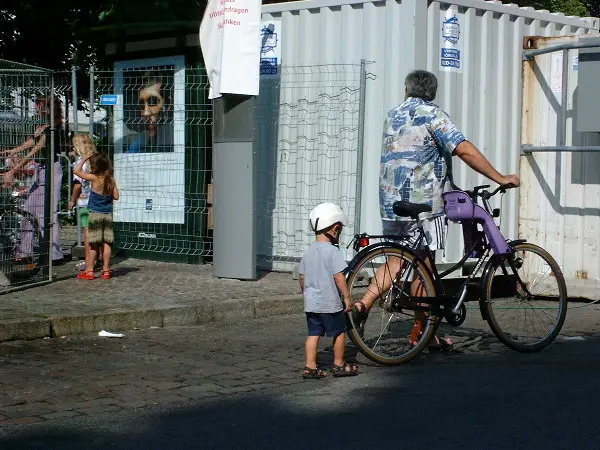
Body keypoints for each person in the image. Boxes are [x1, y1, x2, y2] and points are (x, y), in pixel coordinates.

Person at [352, 69, 520, 349]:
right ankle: (417, 331)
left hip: (392, 201)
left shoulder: (393, 115)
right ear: (433, 92)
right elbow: (463, 149)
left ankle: (366, 307)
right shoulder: (433, 115)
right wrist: (500, 178)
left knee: (400, 261)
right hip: (423, 205)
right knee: (422, 267)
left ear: (407, 90)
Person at [1, 95, 65, 263]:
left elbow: (36, 148)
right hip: (41, 169)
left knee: (48, 213)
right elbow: (29, 143)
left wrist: (14, 169)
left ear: (48, 107)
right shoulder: (40, 125)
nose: (36, 106)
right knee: (28, 210)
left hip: (52, 169)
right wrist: (12, 151)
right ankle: (24, 252)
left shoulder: (53, 126)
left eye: (39, 103)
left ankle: (54, 255)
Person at [299, 203, 359, 379]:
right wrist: (347, 298)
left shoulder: (308, 251)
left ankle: (310, 366)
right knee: (339, 333)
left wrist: (306, 294)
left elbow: (302, 278)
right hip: (330, 304)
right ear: (335, 228)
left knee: (313, 334)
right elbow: (339, 277)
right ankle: (339, 364)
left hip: (311, 304)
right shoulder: (332, 252)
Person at [73, 153, 119, 280]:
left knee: (94, 244)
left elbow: (76, 171)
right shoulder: (110, 179)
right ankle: (106, 271)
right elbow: (116, 196)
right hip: (107, 214)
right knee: (107, 243)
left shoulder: (94, 178)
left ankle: (89, 271)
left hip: (95, 214)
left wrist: (84, 159)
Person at [117, 72, 174, 154]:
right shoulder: (137, 144)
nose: (145, 113)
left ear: (168, 104)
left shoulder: (175, 139)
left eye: (152, 102)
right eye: (141, 104)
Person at [68, 133, 97, 271]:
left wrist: (72, 200)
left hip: (85, 203)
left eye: (74, 145)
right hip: (97, 201)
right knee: (97, 233)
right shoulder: (96, 160)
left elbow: (77, 185)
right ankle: (99, 260)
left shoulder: (80, 163)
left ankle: (88, 261)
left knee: (87, 234)